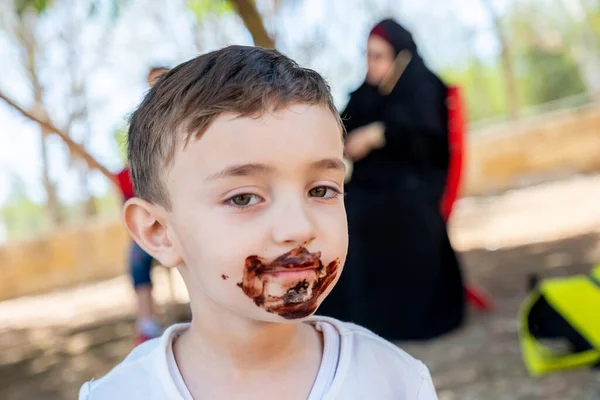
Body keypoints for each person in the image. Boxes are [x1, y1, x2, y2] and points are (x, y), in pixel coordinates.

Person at [79, 46, 438, 399]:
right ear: (158, 232)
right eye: (243, 198)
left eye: (321, 190)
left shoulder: (397, 382)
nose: (298, 228)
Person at [318, 19, 465, 341]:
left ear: (400, 56)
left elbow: (428, 137)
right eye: (368, 55)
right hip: (373, 185)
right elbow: (342, 125)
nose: (371, 64)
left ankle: (403, 319)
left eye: (379, 56)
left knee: (383, 213)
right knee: (337, 208)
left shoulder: (421, 85)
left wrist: (380, 134)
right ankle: (352, 317)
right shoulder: (368, 93)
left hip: (415, 183)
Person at [117, 66, 170, 344]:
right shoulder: (142, 125)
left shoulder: (192, 116)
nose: (158, 87)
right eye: (153, 83)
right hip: (154, 209)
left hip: (184, 208)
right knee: (137, 258)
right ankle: (147, 321)